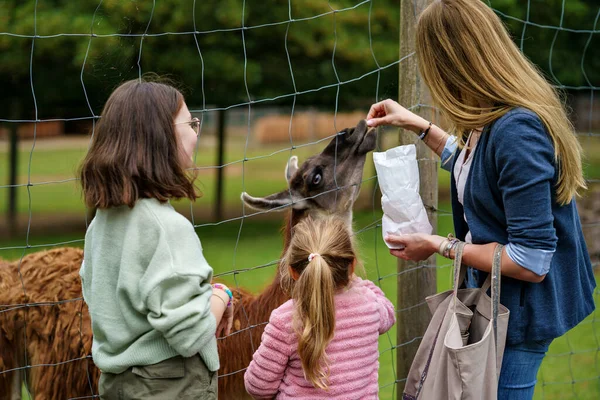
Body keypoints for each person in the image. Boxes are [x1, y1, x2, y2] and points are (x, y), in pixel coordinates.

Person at [366, 1, 596, 399]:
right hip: (498, 304)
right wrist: (418, 125)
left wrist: (440, 245)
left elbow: (530, 260)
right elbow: (477, 168)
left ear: (451, 63)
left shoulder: (516, 131)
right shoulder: (491, 121)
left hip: (520, 315)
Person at [78, 78, 234, 399]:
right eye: (190, 123)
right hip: (171, 385)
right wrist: (222, 295)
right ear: (159, 137)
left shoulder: (102, 222)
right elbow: (191, 335)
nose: (196, 132)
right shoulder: (166, 228)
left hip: (117, 384)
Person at [243, 216, 395, 399]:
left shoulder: (285, 319)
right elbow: (389, 313)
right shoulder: (370, 304)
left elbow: (258, 386)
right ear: (352, 265)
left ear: (292, 271)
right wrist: (357, 282)